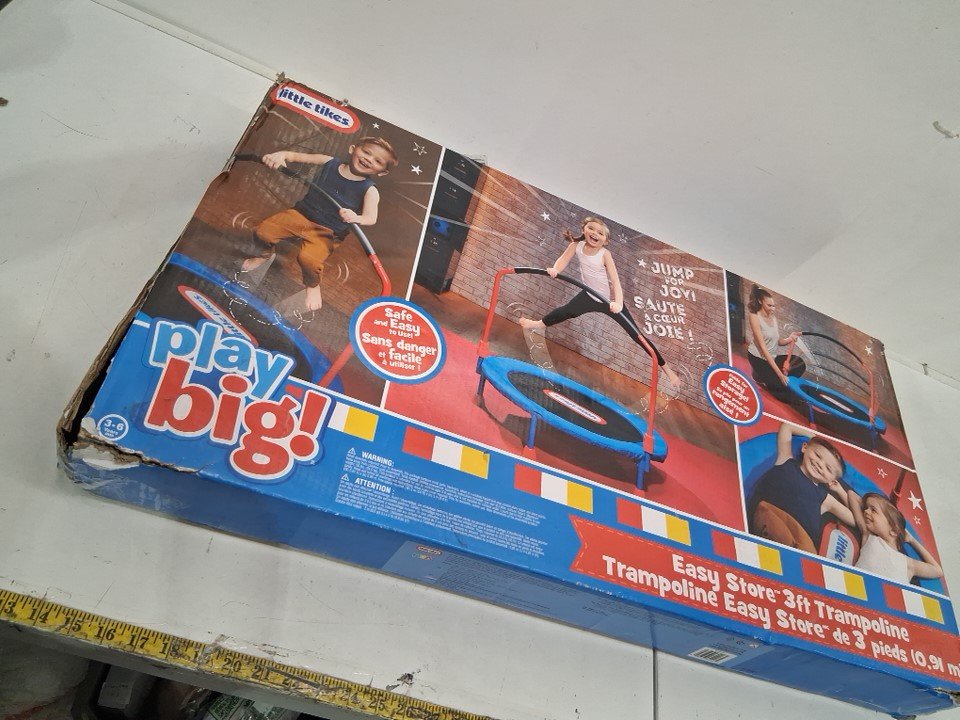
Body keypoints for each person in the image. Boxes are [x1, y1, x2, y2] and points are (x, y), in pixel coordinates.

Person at [518, 217, 681, 387]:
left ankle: (667, 370)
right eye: (591, 228)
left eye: (600, 233)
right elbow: (563, 259)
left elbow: (615, 281)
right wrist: (555, 269)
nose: (595, 233)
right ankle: (538, 324)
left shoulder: (605, 254)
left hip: (609, 301)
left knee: (637, 335)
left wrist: (618, 303)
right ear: (584, 229)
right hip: (590, 295)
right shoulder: (576, 245)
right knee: (565, 311)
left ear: (606, 240)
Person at [242, 137, 398, 311]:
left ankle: (313, 285)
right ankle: (263, 255)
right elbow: (294, 156)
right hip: (301, 214)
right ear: (352, 148)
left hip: (328, 231)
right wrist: (281, 155)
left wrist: (356, 217)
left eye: (378, 161)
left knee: (308, 260)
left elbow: (370, 217)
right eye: (366, 152)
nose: (368, 159)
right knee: (263, 232)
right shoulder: (328, 162)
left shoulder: (370, 190)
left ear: (382, 172)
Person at [747, 422, 856, 552]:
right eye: (818, 455)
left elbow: (854, 520)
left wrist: (840, 491)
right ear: (804, 447)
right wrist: (813, 436)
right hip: (768, 518)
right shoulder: (786, 459)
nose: (820, 465)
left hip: (800, 541)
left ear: (832, 480)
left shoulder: (825, 498)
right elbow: (787, 427)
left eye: (828, 468)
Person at [854, 493, 943, 583]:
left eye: (873, 510)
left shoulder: (908, 564)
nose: (866, 511)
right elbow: (852, 496)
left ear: (894, 530)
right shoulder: (869, 536)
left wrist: (912, 540)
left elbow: (938, 571)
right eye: (866, 508)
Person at [746, 285, 803, 399]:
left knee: (800, 364)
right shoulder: (754, 317)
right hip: (759, 358)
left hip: (772, 358)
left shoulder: (773, 318)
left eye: (774, 306)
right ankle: (760, 375)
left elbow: (778, 341)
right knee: (786, 392)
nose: (773, 309)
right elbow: (764, 349)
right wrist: (780, 375)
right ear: (760, 302)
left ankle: (765, 377)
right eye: (769, 305)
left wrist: (790, 338)